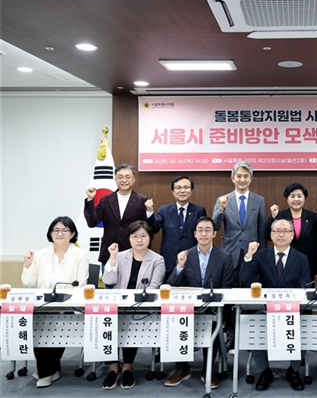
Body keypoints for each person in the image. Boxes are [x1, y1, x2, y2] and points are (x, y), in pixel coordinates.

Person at [240, 219, 311, 392]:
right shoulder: (260, 255)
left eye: (286, 231)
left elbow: (305, 286)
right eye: (277, 231)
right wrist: (248, 256)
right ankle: (264, 371)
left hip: (292, 310)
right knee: (254, 323)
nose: (281, 234)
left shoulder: (301, 258)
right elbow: (245, 278)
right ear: (271, 235)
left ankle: (294, 370)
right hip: (266, 309)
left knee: (304, 324)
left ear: (292, 235)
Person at [164, 217, 233, 389]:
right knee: (175, 320)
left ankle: (207, 369)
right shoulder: (186, 255)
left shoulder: (224, 257)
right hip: (188, 309)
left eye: (207, 230)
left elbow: (227, 287)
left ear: (214, 233)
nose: (203, 233)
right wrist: (179, 266)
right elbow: (171, 286)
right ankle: (182, 368)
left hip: (213, 309)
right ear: (194, 234)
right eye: (200, 230)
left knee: (214, 325)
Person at [22, 216, 89, 388]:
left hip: (66, 306)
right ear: (50, 233)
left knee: (58, 329)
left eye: (65, 230)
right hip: (42, 306)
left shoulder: (80, 255)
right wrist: (28, 265)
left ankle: (46, 372)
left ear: (72, 234)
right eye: (56, 230)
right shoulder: (40, 254)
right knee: (39, 332)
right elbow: (29, 283)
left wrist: (62, 303)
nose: (60, 234)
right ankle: (49, 370)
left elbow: (81, 284)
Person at [101, 220, 165, 390]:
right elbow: (108, 280)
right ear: (129, 238)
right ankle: (113, 367)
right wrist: (112, 258)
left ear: (150, 238)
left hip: (140, 306)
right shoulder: (120, 256)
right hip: (117, 305)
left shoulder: (157, 260)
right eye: (135, 236)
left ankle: (128, 366)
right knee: (105, 320)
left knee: (131, 320)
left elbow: (153, 287)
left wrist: (134, 302)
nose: (139, 240)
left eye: (143, 236)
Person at [211, 161, 266, 350]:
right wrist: (221, 209)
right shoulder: (223, 199)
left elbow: (261, 229)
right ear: (232, 178)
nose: (242, 179)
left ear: (251, 179)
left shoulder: (259, 200)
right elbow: (215, 226)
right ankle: (231, 333)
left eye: (246, 176)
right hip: (230, 253)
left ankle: (250, 334)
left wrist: (262, 254)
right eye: (239, 176)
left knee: (251, 294)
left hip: (252, 253)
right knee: (231, 295)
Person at [84, 163, 155, 273]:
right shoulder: (106, 200)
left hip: (134, 253)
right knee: (109, 283)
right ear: (115, 180)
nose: (124, 180)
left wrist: (149, 211)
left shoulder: (142, 200)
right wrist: (90, 200)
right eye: (120, 177)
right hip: (110, 253)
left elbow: (150, 228)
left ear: (134, 180)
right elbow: (92, 222)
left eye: (127, 177)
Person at [152, 175, 207, 280]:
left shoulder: (199, 211)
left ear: (191, 191)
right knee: (169, 287)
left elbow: (202, 233)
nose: (182, 191)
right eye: (178, 188)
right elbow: (154, 229)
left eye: (186, 187)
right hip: (169, 259)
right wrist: (150, 213)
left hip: (191, 258)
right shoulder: (164, 210)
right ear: (173, 191)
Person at [267, 183, 317, 282]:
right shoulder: (280, 216)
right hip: (284, 264)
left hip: (308, 264)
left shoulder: (313, 217)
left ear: (304, 198)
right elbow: (268, 236)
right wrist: (273, 218)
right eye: (292, 196)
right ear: (287, 199)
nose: (296, 199)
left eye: (299, 196)